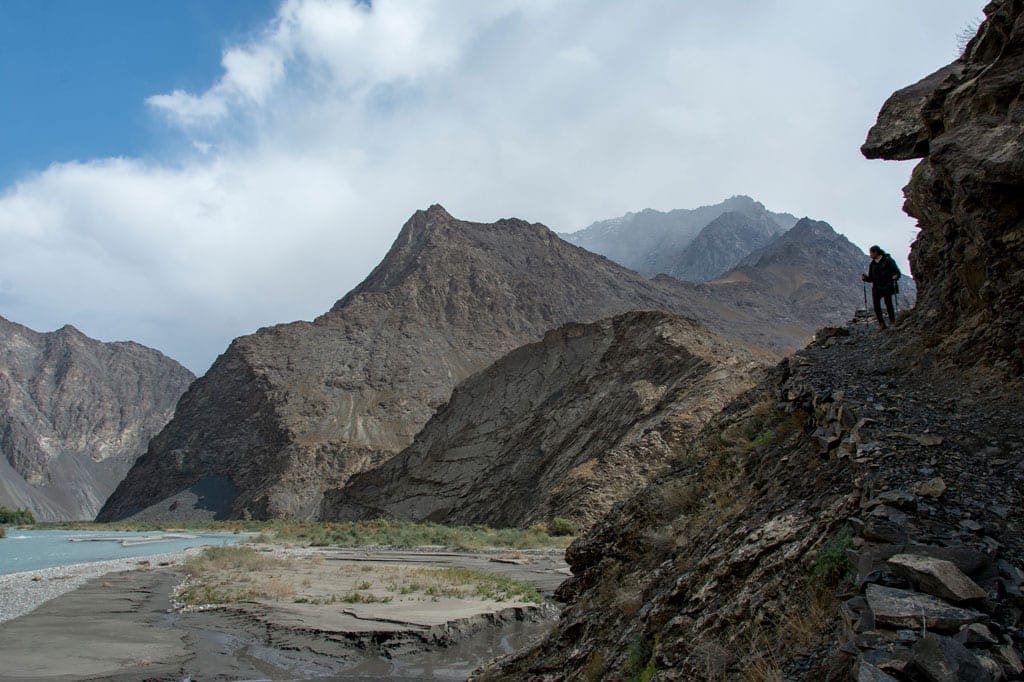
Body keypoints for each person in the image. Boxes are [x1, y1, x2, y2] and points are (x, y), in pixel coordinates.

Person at [861, 245, 901, 329]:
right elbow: (871, 278)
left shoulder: (888, 260)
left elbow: (896, 271)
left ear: (876, 252)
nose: (870, 255)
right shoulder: (872, 264)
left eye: (871, 253)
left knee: (888, 303)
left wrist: (895, 276)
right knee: (876, 305)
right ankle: (881, 323)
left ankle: (892, 320)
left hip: (887, 285)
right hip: (876, 287)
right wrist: (866, 278)